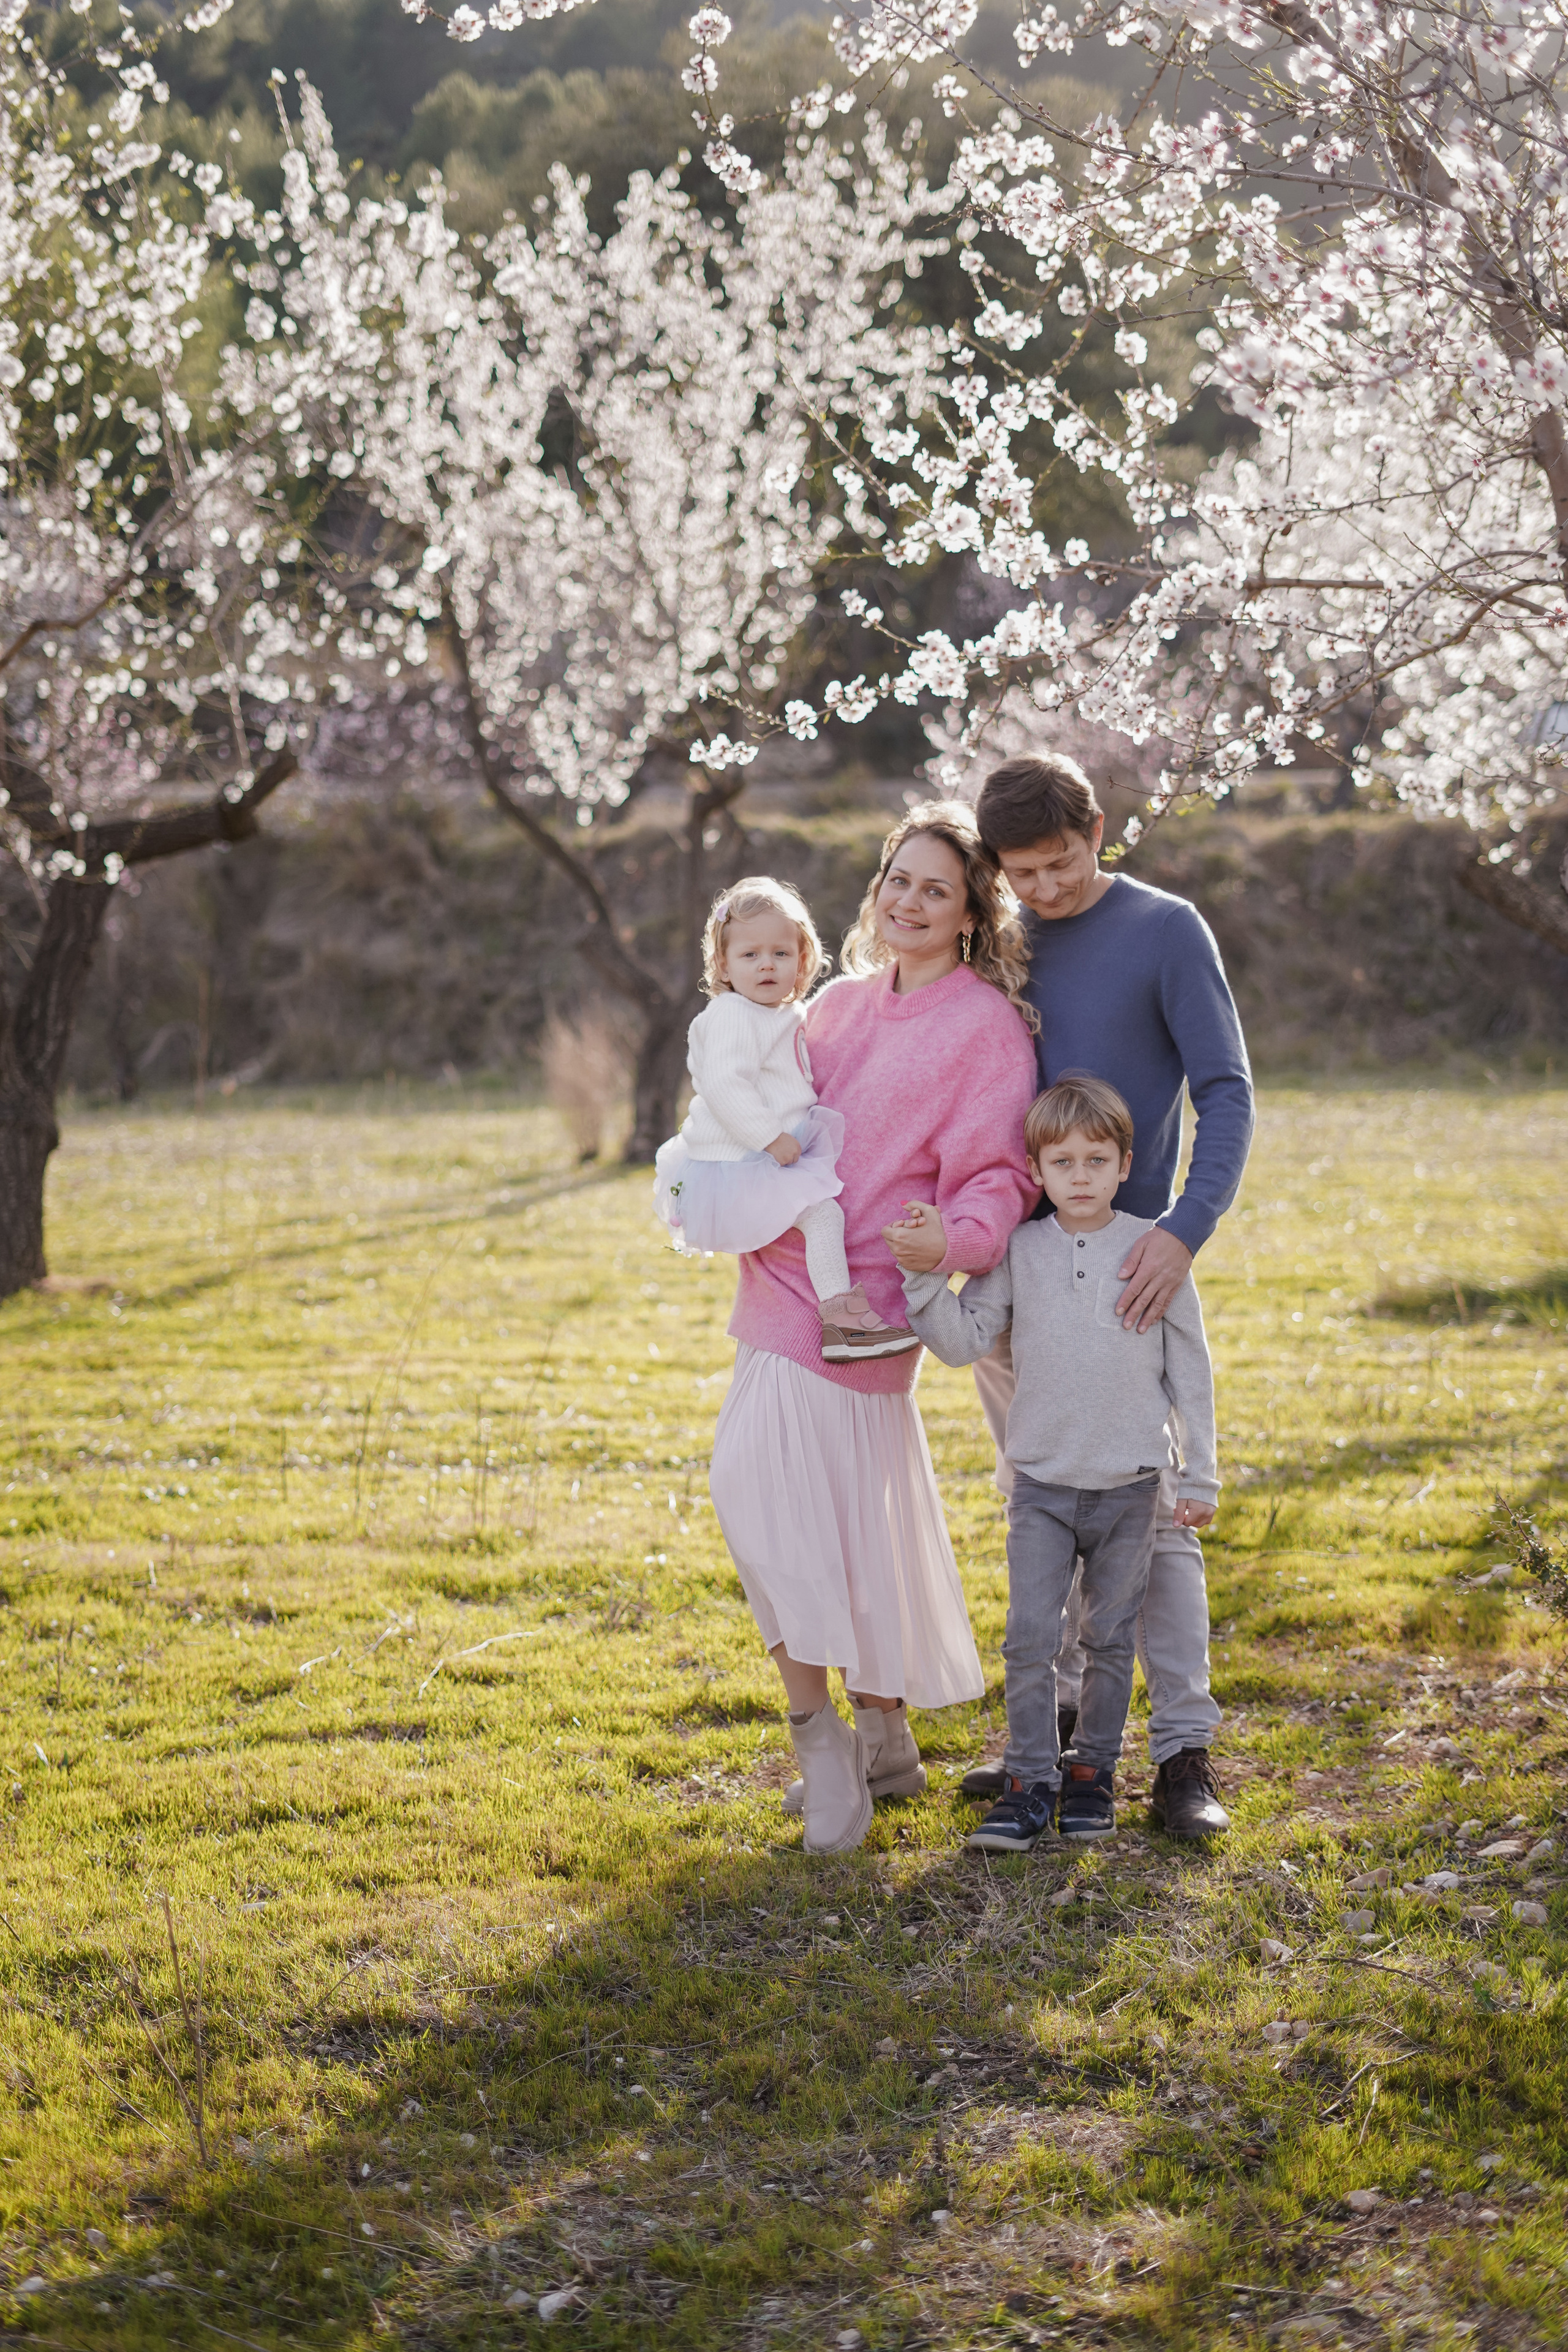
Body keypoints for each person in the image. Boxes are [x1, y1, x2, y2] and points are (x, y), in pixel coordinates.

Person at [706, 804, 1039, 1855]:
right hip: (782, 1282)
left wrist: (959, 1238)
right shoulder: (836, 1006)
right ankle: (863, 1738)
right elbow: (755, 1105)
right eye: (899, 878)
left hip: (872, 1313)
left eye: (935, 890)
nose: (908, 901)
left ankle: (840, 1746)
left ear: (972, 914)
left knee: (833, 1531)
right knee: (769, 1505)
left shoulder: (984, 1027)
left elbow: (999, 1172)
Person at [963, 753, 1253, 1841]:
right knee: (1044, 1506)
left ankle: (1184, 1755)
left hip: (1134, 1267)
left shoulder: (1167, 929)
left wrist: (1186, 1226)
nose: (1044, 888)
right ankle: (1062, 1742)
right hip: (1020, 1275)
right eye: (1022, 872)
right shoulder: (999, 938)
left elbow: (1226, 1088)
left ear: (1100, 827)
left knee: (1159, 1527)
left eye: (1062, 861)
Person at [897, 1075, 1218, 1850]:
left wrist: (1200, 1474)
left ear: (1123, 1164)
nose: (1080, 1176)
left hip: (1131, 1488)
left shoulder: (1152, 1251)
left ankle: (1091, 1778)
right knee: (1029, 1637)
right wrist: (922, 1278)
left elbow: (1192, 1373)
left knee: (1109, 1643)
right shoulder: (1020, 1253)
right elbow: (964, 1341)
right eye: (1063, 1162)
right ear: (1035, 1173)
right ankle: (1028, 1779)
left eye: (1096, 1160)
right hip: (1040, 1486)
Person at [653, 876, 918, 1362]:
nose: (766, 965)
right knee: (822, 1215)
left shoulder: (782, 1013)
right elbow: (723, 1084)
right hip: (737, 1162)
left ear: (802, 959)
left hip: (760, 1158)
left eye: (780, 953)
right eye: (750, 955)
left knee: (823, 1215)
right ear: (724, 966)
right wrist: (770, 1137)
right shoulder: (733, 1014)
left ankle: (844, 1322)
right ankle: (842, 1324)